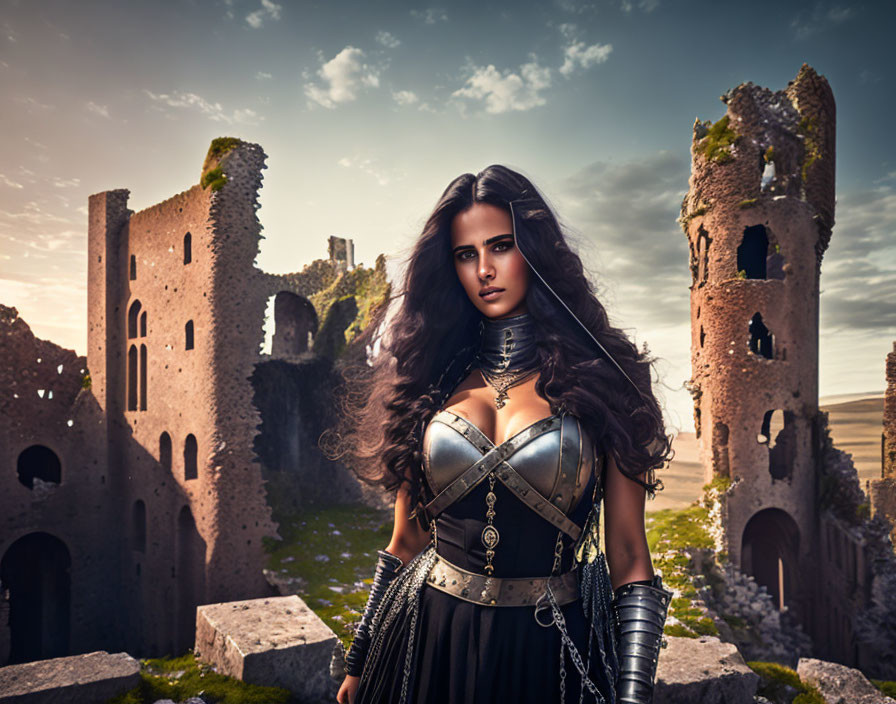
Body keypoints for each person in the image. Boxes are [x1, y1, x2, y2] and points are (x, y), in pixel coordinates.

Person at [330, 165, 674, 704]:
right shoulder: (429, 379)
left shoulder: (608, 380)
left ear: (533, 250)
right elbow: (407, 539)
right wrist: (360, 657)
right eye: (466, 254)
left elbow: (629, 556)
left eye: (501, 246)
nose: (484, 270)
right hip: (428, 640)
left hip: (548, 651)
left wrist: (632, 696)